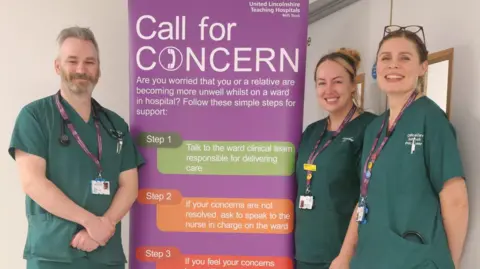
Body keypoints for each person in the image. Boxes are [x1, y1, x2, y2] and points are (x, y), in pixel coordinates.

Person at [8, 26, 145, 269]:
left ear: (98, 70)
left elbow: (130, 186)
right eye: (73, 61)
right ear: (58, 66)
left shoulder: (115, 125)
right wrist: (90, 222)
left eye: (89, 62)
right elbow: (32, 182)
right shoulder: (35, 117)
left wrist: (104, 226)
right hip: (53, 253)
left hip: (104, 253)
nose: (81, 69)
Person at [340, 25, 469, 269]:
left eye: (405, 58)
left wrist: (451, 263)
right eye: (385, 58)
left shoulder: (430, 119)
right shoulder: (374, 128)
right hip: (370, 258)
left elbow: (455, 199)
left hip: (414, 260)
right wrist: (345, 255)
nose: (393, 65)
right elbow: (364, 197)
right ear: (376, 68)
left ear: (423, 67)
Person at [294, 48, 377, 269]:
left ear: (353, 85)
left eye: (337, 81)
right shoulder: (311, 131)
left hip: (343, 257)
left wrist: (345, 257)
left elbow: (369, 198)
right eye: (321, 83)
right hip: (303, 253)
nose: (328, 90)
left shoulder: (370, 128)